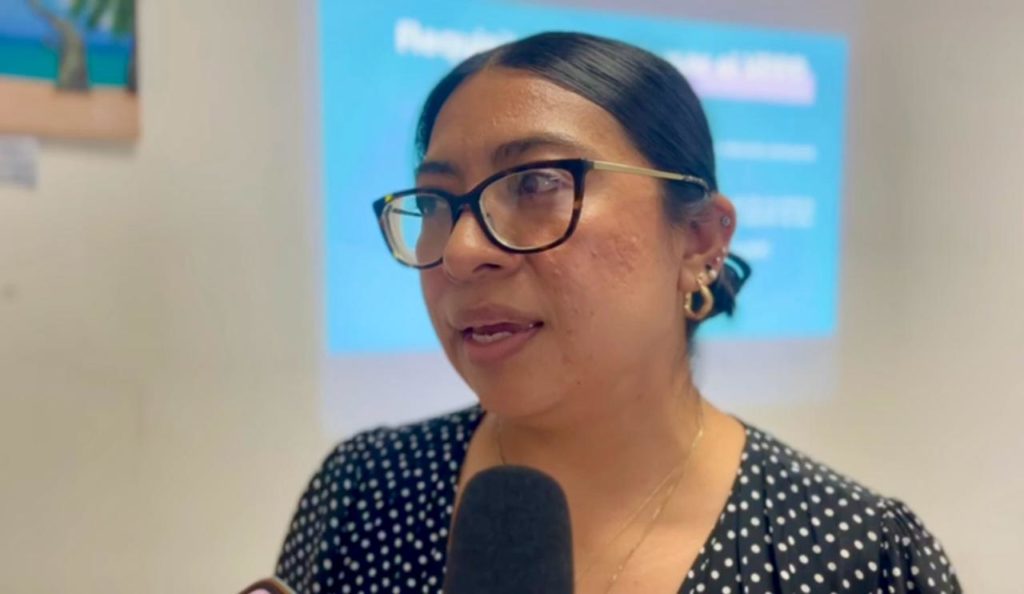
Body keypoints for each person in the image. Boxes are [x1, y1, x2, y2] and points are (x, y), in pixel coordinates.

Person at [275, 32, 960, 594]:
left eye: (536, 182)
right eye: (434, 202)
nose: (460, 251)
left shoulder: (862, 561)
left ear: (698, 239)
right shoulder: (362, 494)